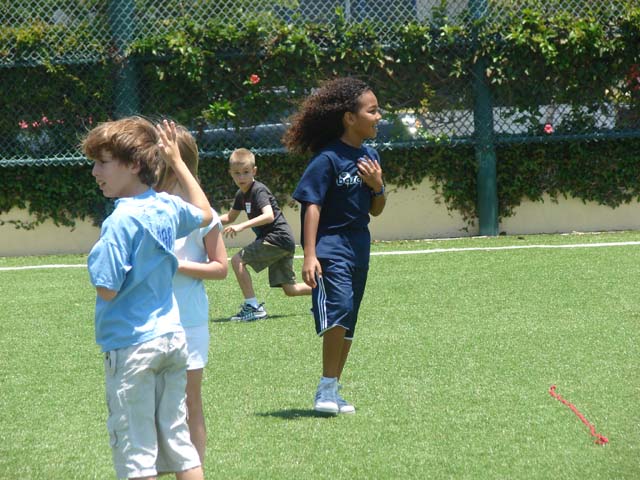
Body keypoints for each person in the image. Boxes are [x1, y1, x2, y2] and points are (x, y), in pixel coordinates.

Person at [84, 116, 211, 480]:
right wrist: (179, 163)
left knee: (137, 453)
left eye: (103, 162)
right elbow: (204, 213)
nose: (95, 171)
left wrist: (96, 257)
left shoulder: (119, 221)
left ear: (134, 164)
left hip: (131, 346)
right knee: (179, 444)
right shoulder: (166, 206)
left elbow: (107, 288)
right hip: (172, 338)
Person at [284, 77, 386, 415]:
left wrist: (377, 185)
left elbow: (376, 209)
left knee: (350, 320)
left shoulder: (370, 156)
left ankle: (334, 389)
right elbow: (311, 206)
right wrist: (309, 254)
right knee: (338, 308)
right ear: (349, 118)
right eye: (372, 111)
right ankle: (325, 389)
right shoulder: (327, 159)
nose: (379, 117)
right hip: (331, 247)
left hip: (359, 247)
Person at [155, 125, 228, 465]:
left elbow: (220, 268)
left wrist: (177, 265)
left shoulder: (204, 215)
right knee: (152, 403)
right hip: (149, 321)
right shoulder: (144, 206)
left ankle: (193, 470)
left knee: (189, 401)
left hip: (189, 322)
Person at [219, 148, 311, 321]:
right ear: (230, 173)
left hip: (277, 238)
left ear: (254, 171)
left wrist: (242, 226)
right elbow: (229, 217)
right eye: (237, 173)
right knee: (290, 290)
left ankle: (253, 307)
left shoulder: (258, 190)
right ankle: (328, 294)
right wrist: (205, 221)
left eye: (246, 172)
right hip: (282, 241)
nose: (241, 177)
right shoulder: (241, 194)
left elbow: (268, 216)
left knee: (238, 260)